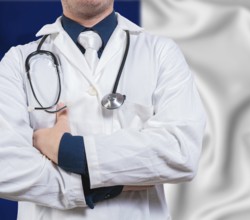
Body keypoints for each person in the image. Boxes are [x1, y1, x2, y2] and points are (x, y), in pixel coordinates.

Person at [0, 0, 206, 219]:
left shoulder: (160, 52)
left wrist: (65, 150)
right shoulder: (18, 62)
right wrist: (97, 187)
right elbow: (6, 168)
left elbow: (181, 151)